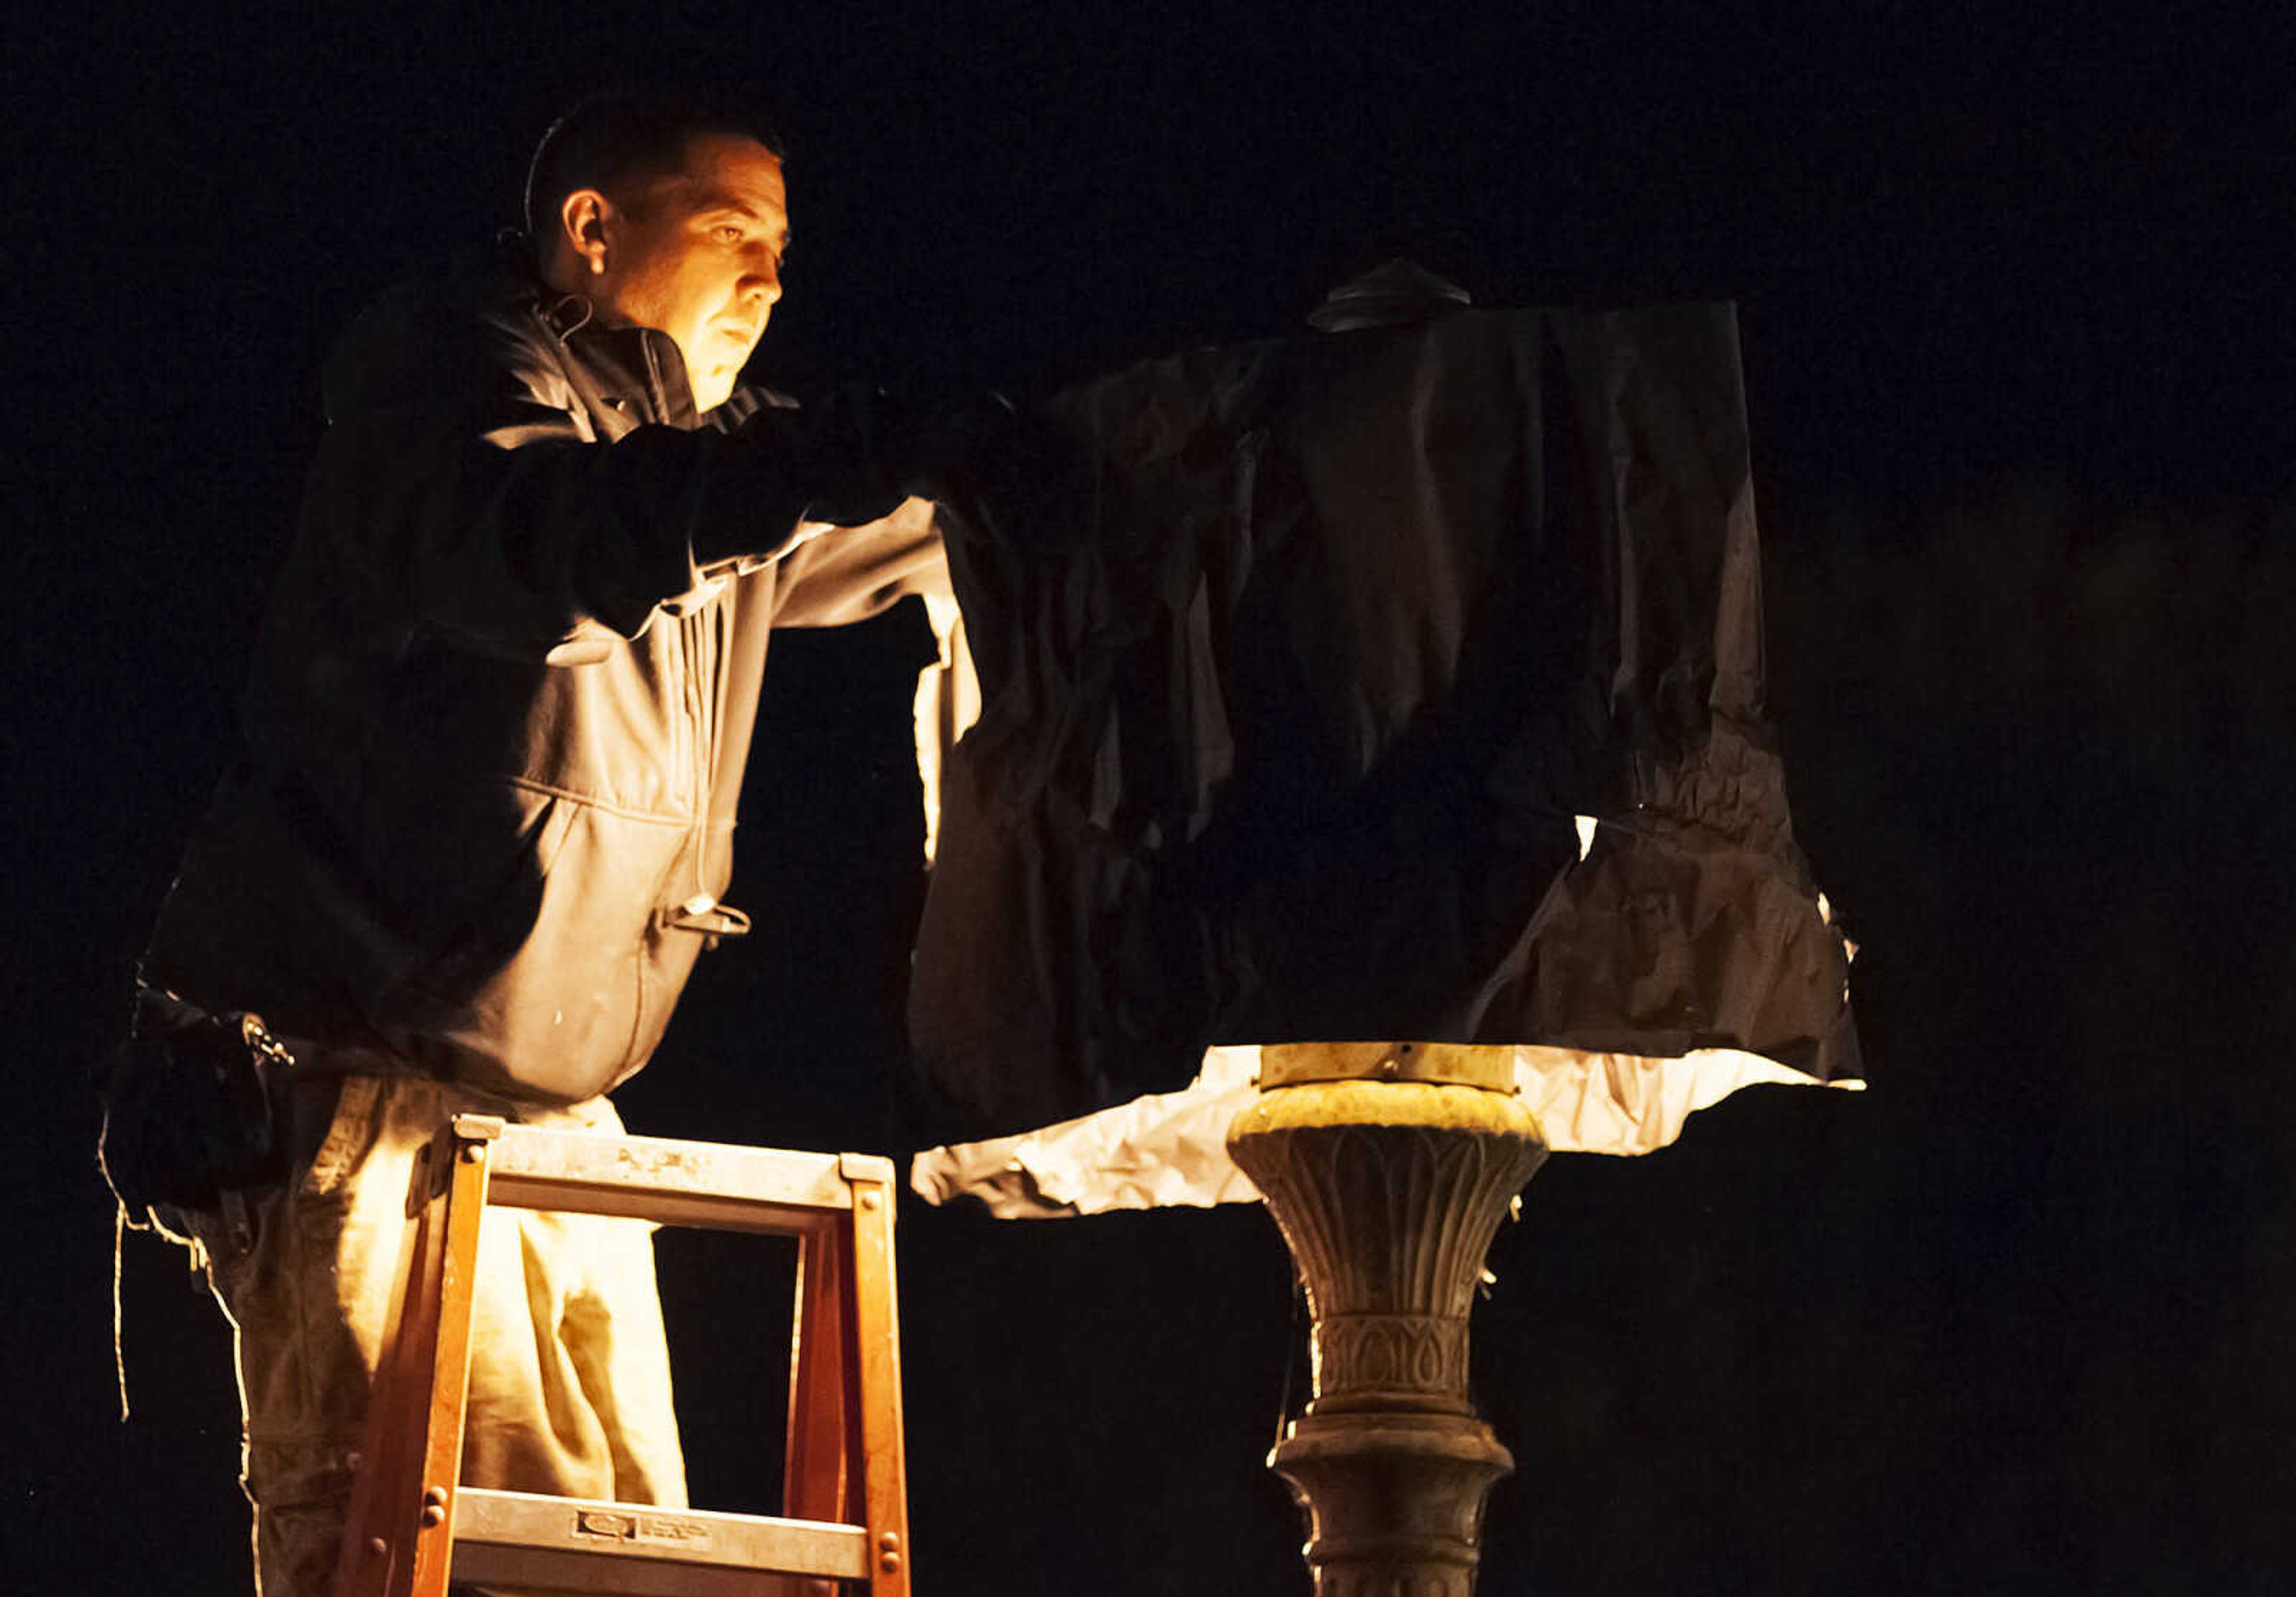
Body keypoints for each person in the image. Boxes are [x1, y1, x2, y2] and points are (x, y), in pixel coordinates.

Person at [120, 88, 960, 1596]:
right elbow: (547, 553)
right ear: (592, 229)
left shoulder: (698, 462)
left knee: (613, 1564)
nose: (772, 286)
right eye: (732, 238)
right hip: (359, 1102)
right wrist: (821, 464)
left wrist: (1096, 463)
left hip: (549, 1127)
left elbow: (873, 512)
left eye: (785, 254)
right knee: (387, 1545)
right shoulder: (448, 383)